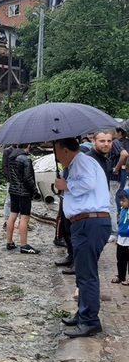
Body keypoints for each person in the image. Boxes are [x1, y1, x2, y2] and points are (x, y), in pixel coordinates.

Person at [54, 137, 111, 338]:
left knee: (87, 275)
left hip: (90, 223)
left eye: (57, 150)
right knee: (83, 273)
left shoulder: (82, 161)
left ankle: (90, 321)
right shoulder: (78, 163)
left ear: (65, 150)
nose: (57, 156)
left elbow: (87, 183)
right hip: (85, 223)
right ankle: (83, 313)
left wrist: (66, 184)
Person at [5, 144, 40, 254]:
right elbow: (28, 178)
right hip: (24, 192)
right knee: (24, 218)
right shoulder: (25, 159)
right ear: (28, 145)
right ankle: (24, 245)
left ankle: (9, 242)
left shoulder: (11, 157)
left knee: (12, 215)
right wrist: (35, 191)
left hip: (13, 190)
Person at [86, 131, 117, 242]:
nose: (106, 144)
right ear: (93, 141)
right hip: (91, 214)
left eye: (109, 141)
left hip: (101, 209)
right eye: (102, 141)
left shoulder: (105, 159)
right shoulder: (88, 160)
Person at [112, 192, 129, 285]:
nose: (121, 203)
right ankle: (121, 276)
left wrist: (123, 232)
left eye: (124, 201)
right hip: (121, 240)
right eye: (121, 201)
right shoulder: (123, 210)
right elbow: (121, 224)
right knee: (120, 259)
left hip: (128, 240)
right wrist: (117, 237)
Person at [111, 128, 129, 215]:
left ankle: (119, 213)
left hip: (121, 171)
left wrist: (117, 168)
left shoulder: (117, 142)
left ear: (120, 133)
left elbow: (125, 155)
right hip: (123, 170)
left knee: (118, 193)